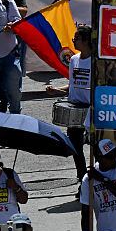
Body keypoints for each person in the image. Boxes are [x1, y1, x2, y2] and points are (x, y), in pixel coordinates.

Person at [45, 25, 93, 180]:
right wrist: (57, 89)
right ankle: (82, 177)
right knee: (75, 146)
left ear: (86, 41)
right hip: (75, 108)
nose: (74, 41)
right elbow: (72, 84)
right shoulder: (73, 59)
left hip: (91, 108)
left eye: (76, 38)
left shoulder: (96, 61)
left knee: (95, 146)